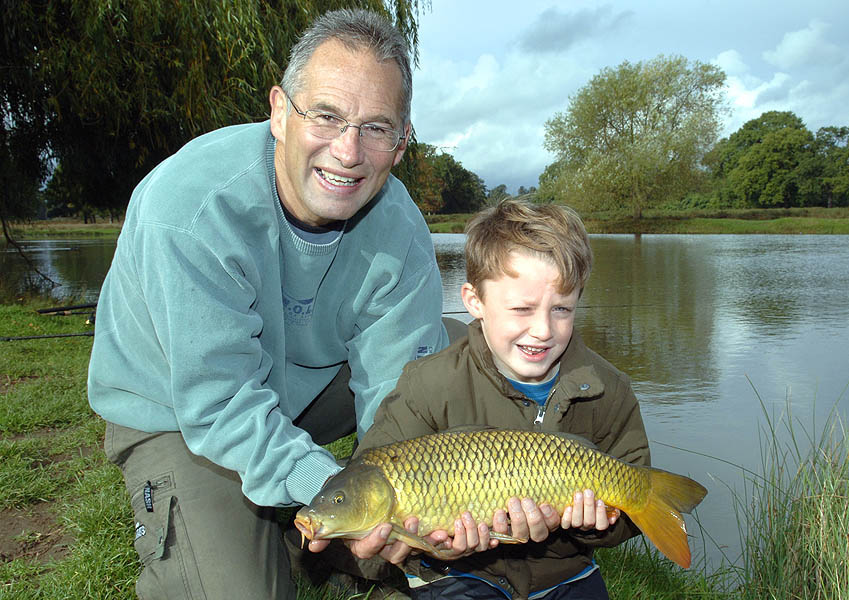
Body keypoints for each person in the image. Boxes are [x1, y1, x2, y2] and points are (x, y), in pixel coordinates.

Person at [87, 8, 458, 599]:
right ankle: (277, 522)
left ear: (401, 141)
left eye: (377, 127)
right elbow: (221, 404)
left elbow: (403, 397)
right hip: (180, 413)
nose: (348, 150)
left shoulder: (402, 228)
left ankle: (331, 535)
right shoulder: (191, 211)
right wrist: (329, 482)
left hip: (301, 392)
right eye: (328, 116)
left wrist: (392, 506)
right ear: (280, 112)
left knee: (458, 350)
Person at [353, 199, 652, 600]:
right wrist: (433, 543)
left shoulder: (608, 388)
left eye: (562, 308)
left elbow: (628, 517)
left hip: (563, 571)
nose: (543, 330)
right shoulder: (428, 384)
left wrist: (590, 525)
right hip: (456, 571)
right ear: (475, 301)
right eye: (522, 309)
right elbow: (369, 478)